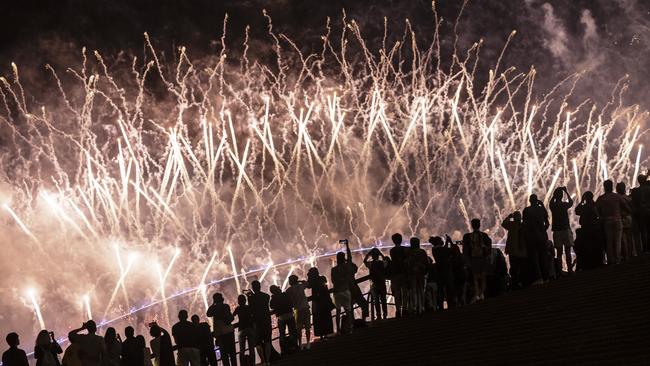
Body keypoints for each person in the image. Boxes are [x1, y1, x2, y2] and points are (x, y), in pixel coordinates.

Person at [596, 180, 627, 265]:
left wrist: (600, 217)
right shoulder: (616, 196)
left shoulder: (601, 198)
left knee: (609, 241)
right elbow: (625, 205)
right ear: (612, 186)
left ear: (604, 187)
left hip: (607, 221)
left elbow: (595, 209)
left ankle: (610, 260)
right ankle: (618, 259)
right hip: (617, 220)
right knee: (617, 241)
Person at [331, 241, 358, 333]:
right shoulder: (347, 266)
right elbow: (350, 258)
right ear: (344, 259)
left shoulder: (334, 269)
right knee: (348, 311)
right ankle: (350, 328)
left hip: (336, 292)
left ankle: (338, 330)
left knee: (338, 312)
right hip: (345, 290)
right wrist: (347, 246)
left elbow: (333, 281)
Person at [462, 218, 492, 301]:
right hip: (481, 258)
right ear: (479, 225)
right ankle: (481, 293)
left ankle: (478, 294)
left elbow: (465, 250)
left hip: (475, 258)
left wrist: (466, 260)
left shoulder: (467, 236)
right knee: (482, 276)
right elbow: (489, 247)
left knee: (476, 277)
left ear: (471, 225)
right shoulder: (484, 236)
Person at [523, 194, 550, 284]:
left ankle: (539, 277)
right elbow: (547, 222)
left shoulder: (527, 210)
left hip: (532, 237)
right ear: (537, 200)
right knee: (544, 257)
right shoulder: (541, 209)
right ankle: (546, 277)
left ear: (530, 201)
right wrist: (543, 230)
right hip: (542, 236)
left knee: (535, 258)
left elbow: (525, 224)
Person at [574, 191, 604, 270]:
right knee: (595, 246)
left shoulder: (585, 207)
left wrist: (581, 202)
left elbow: (576, 210)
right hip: (594, 228)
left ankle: (588, 264)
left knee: (587, 247)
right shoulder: (595, 205)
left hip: (586, 229)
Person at [206, 293, 236, 366]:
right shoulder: (226, 306)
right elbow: (230, 317)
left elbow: (208, 314)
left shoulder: (214, 308)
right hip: (229, 332)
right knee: (232, 353)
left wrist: (213, 304)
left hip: (220, 334)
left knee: (224, 355)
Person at [550, 186, 574, 275]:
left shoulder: (553, 206)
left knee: (559, 253)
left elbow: (550, 202)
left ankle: (559, 271)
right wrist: (566, 192)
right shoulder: (564, 205)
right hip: (565, 229)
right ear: (561, 196)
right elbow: (571, 202)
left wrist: (554, 195)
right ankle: (570, 270)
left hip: (556, 231)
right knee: (568, 251)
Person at [248, 281, 272, 366]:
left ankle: (263, 361)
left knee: (257, 343)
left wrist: (249, 296)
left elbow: (251, 309)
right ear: (260, 286)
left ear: (253, 288)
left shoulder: (251, 298)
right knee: (268, 341)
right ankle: (268, 361)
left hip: (256, 322)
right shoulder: (266, 296)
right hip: (266, 320)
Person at [306, 267, 334, 340]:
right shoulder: (322, 278)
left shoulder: (312, 281)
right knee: (326, 317)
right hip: (325, 300)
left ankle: (321, 335)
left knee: (318, 318)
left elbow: (308, 286)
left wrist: (309, 277)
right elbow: (325, 286)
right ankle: (326, 334)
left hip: (317, 301)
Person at [502, 211, 527, 289]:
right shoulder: (524, 225)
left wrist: (509, 216)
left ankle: (515, 283)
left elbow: (503, 223)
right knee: (522, 268)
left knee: (514, 268)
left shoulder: (511, 225)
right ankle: (522, 282)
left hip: (513, 252)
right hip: (523, 252)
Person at [269, 285, 298, 354]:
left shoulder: (273, 298)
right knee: (292, 331)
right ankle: (295, 346)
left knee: (282, 334)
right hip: (290, 315)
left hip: (281, 317)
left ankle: (283, 350)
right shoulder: (285, 294)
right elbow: (291, 302)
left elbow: (271, 306)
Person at [286, 275, 311, 349]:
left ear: (291, 281)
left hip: (298, 310)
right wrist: (299, 281)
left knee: (299, 328)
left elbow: (287, 297)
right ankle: (308, 343)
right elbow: (307, 284)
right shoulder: (300, 286)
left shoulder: (289, 290)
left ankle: (300, 344)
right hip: (306, 308)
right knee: (307, 327)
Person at [363, 248, 388, 320]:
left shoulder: (371, 264)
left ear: (372, 256)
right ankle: (385, 315)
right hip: (382, 283)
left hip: (374, 284)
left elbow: (364, 261)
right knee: (383, 300)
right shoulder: (382, 263)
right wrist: (381, 254)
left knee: (376, 301)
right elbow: (385, 261)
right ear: (378, 256)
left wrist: (368, 254)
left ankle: (378, 315)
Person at [430, 235, 454, 309]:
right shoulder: (438, 249)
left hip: (439, 271)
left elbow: (445, 250)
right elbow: (447, 251)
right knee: (449, 288)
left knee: (440, 289)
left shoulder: (434, 249)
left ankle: (441, 306)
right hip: (446, 270)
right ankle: (450, 304)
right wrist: (449, 241)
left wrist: (447, 242)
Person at [388, 233, 409, 317]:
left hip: (395, 274)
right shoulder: (405, 249)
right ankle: (404, 309)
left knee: (396, 293)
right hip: (403, 273)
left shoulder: (392, 251)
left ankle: (397, 311)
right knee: (404, 292)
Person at [407, 237, 429, 315]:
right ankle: (422, 307)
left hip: (412, 274)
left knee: (414, 291)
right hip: (421, 273)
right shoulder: (422, 252)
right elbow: (427, 263)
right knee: (421, 290)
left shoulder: (409, 252)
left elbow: (407, 263)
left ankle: (414, 307)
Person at [233, 294, 255, 366]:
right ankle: (253, 363)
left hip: (241, 329)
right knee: (251, 348)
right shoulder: (249, 307)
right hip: (249, 328)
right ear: (245, 301)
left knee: (242, 350)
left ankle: (242, 364)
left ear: (238, 302)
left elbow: (232, 316)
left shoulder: (238, 308)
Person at [631, 174, 650, 254]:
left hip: (640, 213)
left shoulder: (635, 191)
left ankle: (646, 249)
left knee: (643, 231)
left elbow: (633, 203)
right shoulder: (649, 189)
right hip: (649, 211)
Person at [617, 182, 635, 261]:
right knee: (629, 237)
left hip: (621, 219)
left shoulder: (617, 198)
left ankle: (626, 255)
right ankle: (631, 254)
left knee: (622, 238)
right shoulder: (628, 198)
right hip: (628, 218)